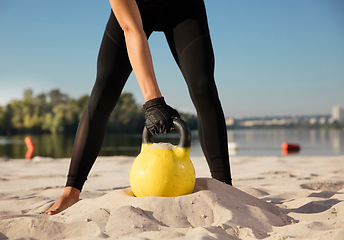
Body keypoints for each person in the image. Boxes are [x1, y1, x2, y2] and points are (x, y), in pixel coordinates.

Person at [42, 0, 232, 215]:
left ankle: (226, 189)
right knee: (104, 90)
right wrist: (153, 101)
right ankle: (70, 193)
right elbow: (132, 29)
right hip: (136, 9)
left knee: (203, 87)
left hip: (185, 8)